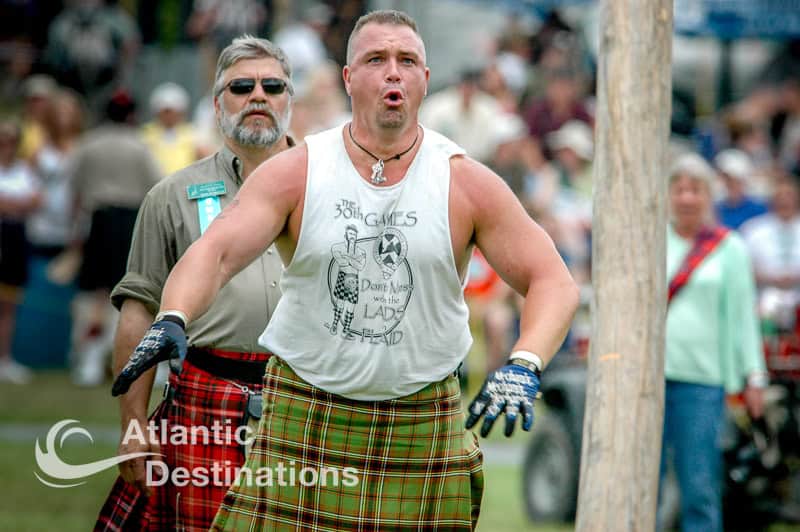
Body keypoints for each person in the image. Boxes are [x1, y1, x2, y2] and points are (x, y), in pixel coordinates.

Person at [112, 10, 579, 530]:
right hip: (306, 414)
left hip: (420, 420)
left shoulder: (466, 183)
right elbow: (216, 253)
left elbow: (552, 279)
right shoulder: (298, 171)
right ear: (348, 77)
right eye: (376, 59)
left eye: (408, 60)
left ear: (425, 79)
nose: (393, 72)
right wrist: (172, 315)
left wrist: (524, 363)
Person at [94, 36, 294, 531]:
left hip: (305, 401)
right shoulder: (171, 196)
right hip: (205, 400)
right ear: (216, 104)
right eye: (241, 87)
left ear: (291, 99)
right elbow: (139, 311)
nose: (258, 97)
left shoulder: (333, 188)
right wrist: (134, 423)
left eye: (273, 86)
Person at [660, 153, 767, 532]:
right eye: (680, 189)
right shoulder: (652, 240)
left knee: (699, 483)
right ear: (668, 194)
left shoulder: (728, 247)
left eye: (696, 189)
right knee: (643, 483)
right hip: (649, 381)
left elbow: (742, 319)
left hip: (701, 381)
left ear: (709, 197)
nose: (687, 198)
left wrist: (753, 375)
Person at [69, 90, 162, 387]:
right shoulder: (140, 146)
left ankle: (89, 362)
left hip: (97, 221)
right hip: (128, 224)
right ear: (132, 114)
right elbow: (157, 186)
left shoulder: (89, 143)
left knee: (93, 293)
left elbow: (75, 186)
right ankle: (112, 359)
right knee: (129, 293)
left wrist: (75, 229)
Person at [0, 120, 41, 384]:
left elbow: (37, 200)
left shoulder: (24, 170)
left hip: (14, 239)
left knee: (8, 305)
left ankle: (4, 359)